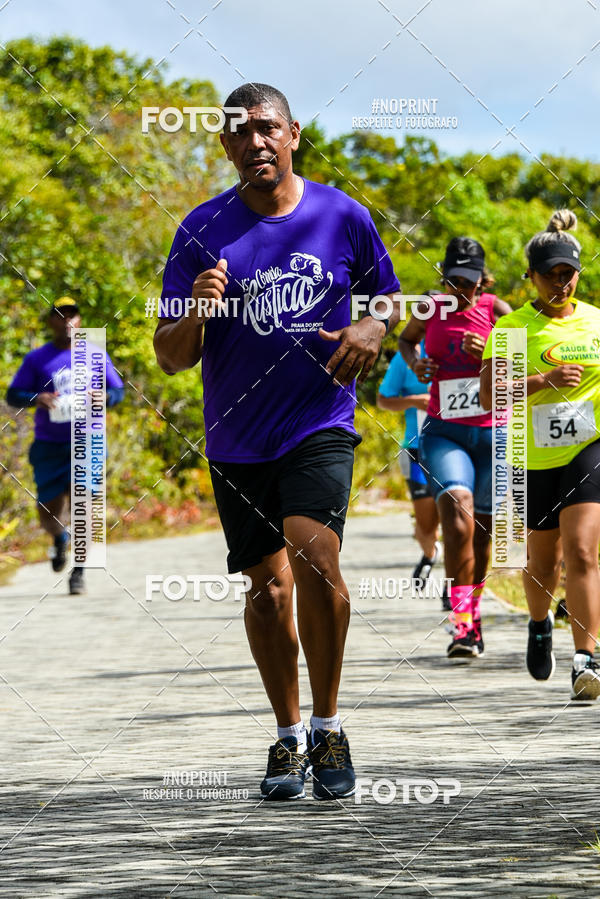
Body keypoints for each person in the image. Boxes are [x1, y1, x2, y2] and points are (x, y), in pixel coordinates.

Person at [153, 83, 401, 800]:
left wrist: (371, 326)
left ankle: (329, 725)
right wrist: (195, 313)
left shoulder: (342, 215)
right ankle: (288, 735)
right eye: (239, 133)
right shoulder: (202, 230)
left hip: (319, 421)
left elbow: (388, 299)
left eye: (266, 128)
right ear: (225, 147)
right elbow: (170, 354)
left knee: (315, 557)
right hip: (236, 438)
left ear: (293, 132)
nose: (254, 141)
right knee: (266, 592)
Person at [480, 210, 600, 700]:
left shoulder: (595, 321)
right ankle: (538, 623)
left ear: (578, 274)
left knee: (584, 552)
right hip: (530, 458)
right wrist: (541, 381)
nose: (560, 283)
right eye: (549, 274)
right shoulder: (511, 328)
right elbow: (489, 396)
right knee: (542, 561)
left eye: (567, 274)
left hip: (587, 450)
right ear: (530, 276)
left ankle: (586, 660)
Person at [399, 240, 510, 659]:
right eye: (453, 281)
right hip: (445, 430)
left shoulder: (499, 311)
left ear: (484, 281)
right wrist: (416, 364)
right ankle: (461, 628)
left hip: (493, 433)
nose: (461, 291)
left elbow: (523, 367)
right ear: (443, 278)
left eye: (470, 283)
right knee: (458, 515)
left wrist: (492, 355)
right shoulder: (429, 308)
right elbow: (406, 342)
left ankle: (472, 616)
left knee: (482, 536)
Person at [6, 297, 124, 594]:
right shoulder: (37, 359)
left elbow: (118, 390)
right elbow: (13, 394)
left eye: (72, 316)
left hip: (89, 439)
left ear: (80, 321)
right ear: (51, 322)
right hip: (50, 444)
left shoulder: (95, 353)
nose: (67, 322)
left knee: (83, 505)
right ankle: (60, 539)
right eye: (60, 316)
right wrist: (37, 398)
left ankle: (78, 573)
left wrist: (105, 399)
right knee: (48, 511)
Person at [377, 340, 442, 595]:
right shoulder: (406, 357)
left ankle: (457, 589)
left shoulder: (461, 346)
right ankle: (431, 554)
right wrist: (414, 401)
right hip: (417, 449)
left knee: (458, 520)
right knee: (426, 526)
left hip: (460, 444)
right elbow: (383, 400)